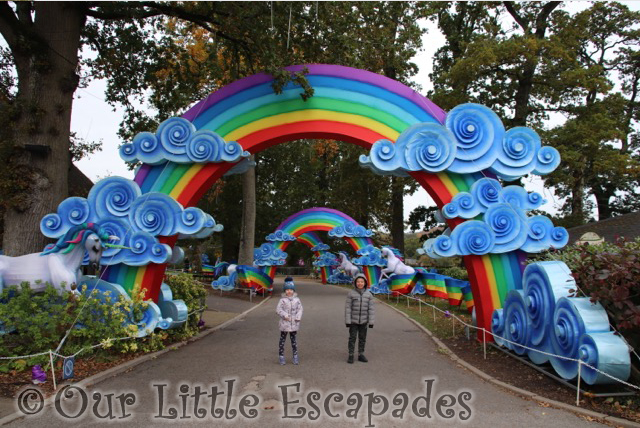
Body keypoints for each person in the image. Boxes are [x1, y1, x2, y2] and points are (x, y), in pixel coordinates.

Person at [345, 273, 375, 363]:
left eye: (362, 282)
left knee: (362, 338)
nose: (360, 283)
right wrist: (348, 321)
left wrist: (371, 322)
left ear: (365, 283)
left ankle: (360, 354)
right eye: (358, 281)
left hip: (364, 321)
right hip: (353, 321)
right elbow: (348, 308)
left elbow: (371, 309)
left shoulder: (369, 295)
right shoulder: (351, 294)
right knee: (352, 338)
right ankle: (351, 355)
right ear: (355, 283)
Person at [276, 276, 303, 365]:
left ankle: (295, 356)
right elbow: (278, 310)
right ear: (285, 291)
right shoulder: (282, 300)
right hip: (284, 324)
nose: (289, 291)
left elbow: (300, 309)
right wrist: (285, 315)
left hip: (294, 324)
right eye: (287, 289)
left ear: (293, 290)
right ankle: (281, 356)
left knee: (294, 341)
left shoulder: (297, 300)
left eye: (291, 289)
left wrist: (298, 317)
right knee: (282, 341)